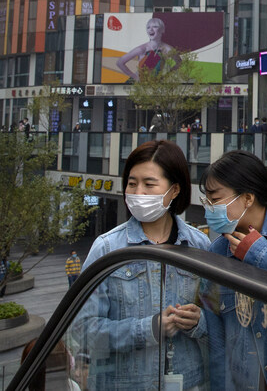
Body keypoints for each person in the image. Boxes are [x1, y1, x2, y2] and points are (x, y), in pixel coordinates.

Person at [72, 140, 210, 389]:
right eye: (132, 183)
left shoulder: (199, 245)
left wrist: (200, 322)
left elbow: (220, 320)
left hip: (188, 383)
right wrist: (148, 329)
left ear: (175, 190)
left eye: (149, 184)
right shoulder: (107, 248)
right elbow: (83, 329)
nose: (138, 193)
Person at [199, 150, 267, 391]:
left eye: (215, 200)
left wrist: (260, 255)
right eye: (207, 202)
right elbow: (217, 340)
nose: (209, 209)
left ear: (248, 198)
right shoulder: (217, 253)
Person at [115, 16, 182, 82]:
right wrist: (135, 77)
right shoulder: (142, 49)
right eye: (148, 27)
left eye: (155, 27)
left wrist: (166, 76)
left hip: (156, 85)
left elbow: (179, 62)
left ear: (162, 30)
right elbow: (120, 62)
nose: (151, 29)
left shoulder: (168, 49)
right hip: (139, 86)